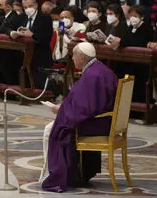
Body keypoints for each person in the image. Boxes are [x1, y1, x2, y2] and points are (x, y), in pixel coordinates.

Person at [41, 42, 118, 192]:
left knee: (52, 129)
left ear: (82, 57)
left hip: (99, 123)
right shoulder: (100, 69)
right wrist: (65, 108)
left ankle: (56, 176)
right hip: (106, 120)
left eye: (74, 56)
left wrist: (61, 111)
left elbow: (83, 108)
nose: (73, 59)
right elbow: (87, 103)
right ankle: (78, 174)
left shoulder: (92, 76)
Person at [10, 0, 53, 89]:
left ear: (36, 5)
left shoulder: (45, 18)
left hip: (40, 55)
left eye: (30, 6)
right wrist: (13, 32)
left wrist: (32, 34)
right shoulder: (22, 17)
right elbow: (8, 26)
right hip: (24, 54)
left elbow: (46, 38)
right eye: (25, 7)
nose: (28, 9)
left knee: (40, 85)